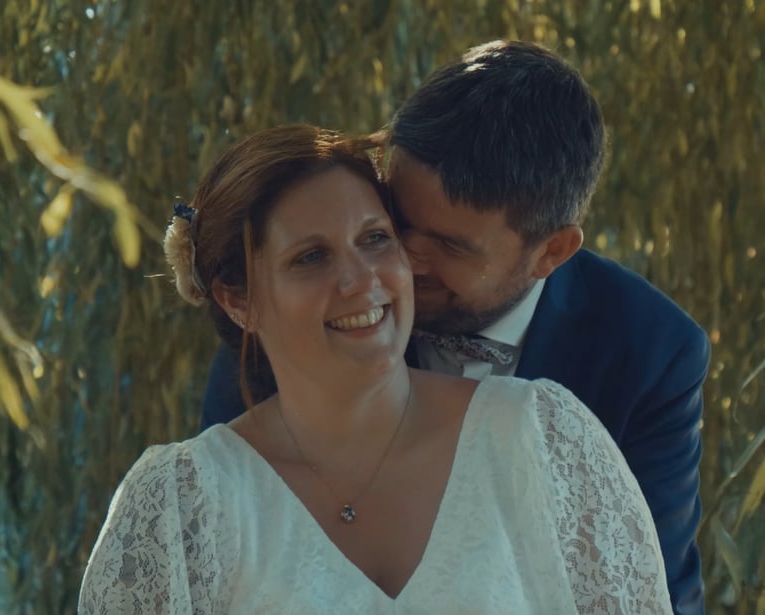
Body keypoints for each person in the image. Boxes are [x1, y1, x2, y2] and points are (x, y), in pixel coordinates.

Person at [201, 42, 711, 614]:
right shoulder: (300, 321)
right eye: (396, 221)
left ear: (551, 252)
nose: (400, 263)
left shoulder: (650, 352)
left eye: (449, 245)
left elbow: (654, 589)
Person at [79, 124, 672, 613]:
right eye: (311, 257)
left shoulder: (544, 440)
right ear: (240, 300)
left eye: (375, 239)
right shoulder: (182, 507)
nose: (361, 280)